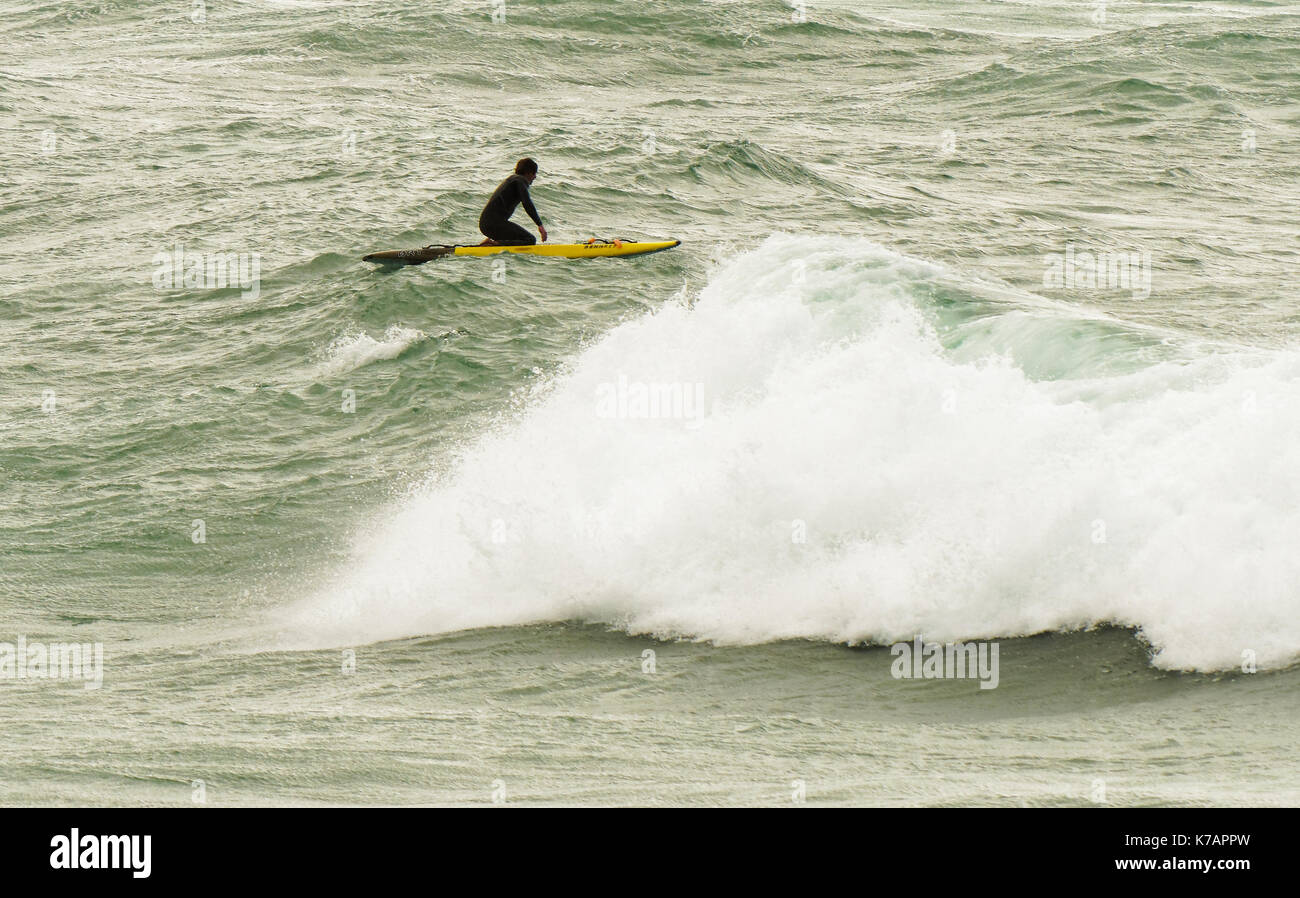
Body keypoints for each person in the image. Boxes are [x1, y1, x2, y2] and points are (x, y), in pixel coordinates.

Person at [478, 158, 548, 246]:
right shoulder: (520, 180)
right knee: (530, 239)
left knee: (521, 238)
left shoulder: (513, 179)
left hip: (487, 224)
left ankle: (493, 242)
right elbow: (527, 203)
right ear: (528, 173)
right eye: (534, 173)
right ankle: (494, 243)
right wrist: (540, 225)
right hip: (493, 224)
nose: (535, 177)